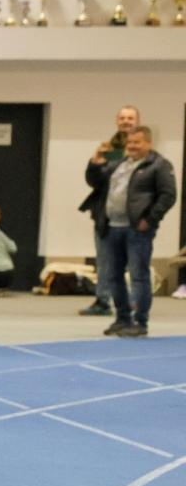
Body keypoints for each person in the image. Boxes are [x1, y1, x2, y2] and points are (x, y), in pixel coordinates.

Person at [87, 124, 177, 338]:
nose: (132, 146)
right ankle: (122, 318)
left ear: (148, 143)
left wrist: (150, 219)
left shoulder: (159, 165)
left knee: (138, 275)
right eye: (129, 143)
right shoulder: (119, 164)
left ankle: (140, 322)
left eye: (137, 142)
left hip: (137, 229)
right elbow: (95, 182)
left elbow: (168, 195)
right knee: (113, 276)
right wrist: (95, 162)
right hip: (111, 228)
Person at [76, 106, 139, 316]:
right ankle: (102, 301)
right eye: (122, 118)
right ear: (116, 121)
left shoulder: (144, 153)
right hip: (106, 214)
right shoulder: (107, 149)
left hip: (132, 216)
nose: (126, 121)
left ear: (137, 121)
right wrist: (95, 162)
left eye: (130, 118)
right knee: (104, 260)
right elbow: (95, 181)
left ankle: (132, 302)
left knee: (133, 262)